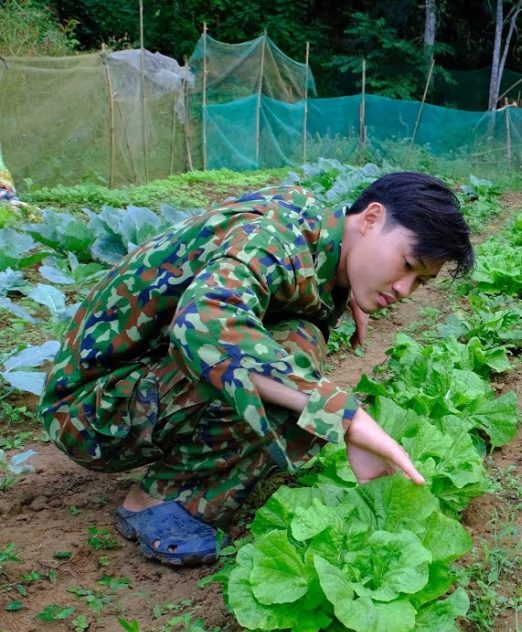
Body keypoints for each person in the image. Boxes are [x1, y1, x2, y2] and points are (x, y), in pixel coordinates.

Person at [38, 173, 475, 566]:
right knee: (289, 350)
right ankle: (156, 503)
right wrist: (345, 419)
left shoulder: (320, 232)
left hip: (134, 380)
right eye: (406, 266)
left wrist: (344, 291)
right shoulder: (270, 236)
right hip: (88, 411)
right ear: (371, 218)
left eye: (420, 282)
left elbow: (291, 287)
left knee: (299, 338)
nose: (404, 289)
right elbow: (205, 328)